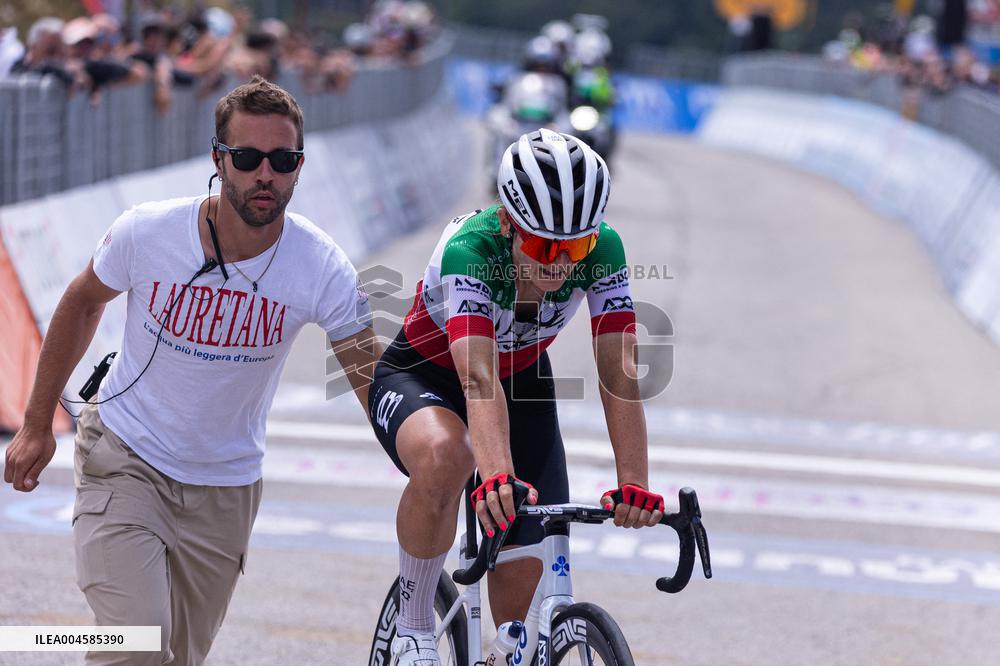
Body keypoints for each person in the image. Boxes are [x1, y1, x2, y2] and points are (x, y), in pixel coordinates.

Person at [3, 75, 379, 665]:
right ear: (218, 160)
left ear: (300, 166)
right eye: (249, 158)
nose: (266, 175)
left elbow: (372, 379)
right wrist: (34, 423)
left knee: (178, 658)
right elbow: (81, 302)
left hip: (225, 488)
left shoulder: (320, 266)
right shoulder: (148, 232)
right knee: (134, 645)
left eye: (283, 160)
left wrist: (431, 460)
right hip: (125, 458)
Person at [369, 128, 665, 665]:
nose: (559, 262)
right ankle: (412, 631)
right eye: (543, 245)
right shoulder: (470, 251)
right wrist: (497, 475)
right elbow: (477, 379)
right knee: (449, 456)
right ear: (507, 223)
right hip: (425, 376)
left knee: (518, 630)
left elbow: (619, 370)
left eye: (576, 246)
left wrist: (635, 484)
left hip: (522, 383)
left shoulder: (605, 251)